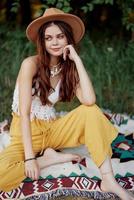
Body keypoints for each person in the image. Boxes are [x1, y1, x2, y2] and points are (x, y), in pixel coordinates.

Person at [0, 7, 133, 200]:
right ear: (42, 41)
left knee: (91, 111)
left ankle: (108, 179)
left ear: (68, 39)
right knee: (2, 174)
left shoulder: (67, 68)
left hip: (52, 131)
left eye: (60, 36)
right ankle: (45, 160)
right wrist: (30, 159)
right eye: (48, 38)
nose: (54, 42)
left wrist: (77, 60)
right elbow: (25, 115)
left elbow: (89, 100)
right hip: (24, 135)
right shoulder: (30, 64)